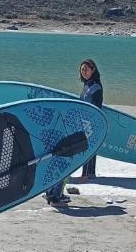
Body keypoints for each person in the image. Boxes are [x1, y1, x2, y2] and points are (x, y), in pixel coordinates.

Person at [45, 58, 104, 204]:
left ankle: (56, 193)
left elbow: (96, 111)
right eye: (82, 69)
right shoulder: (87, 85)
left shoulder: (96, 87)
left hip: (86, 129)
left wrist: (91, 130)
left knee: (70, 158)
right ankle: (54, 193)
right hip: (77, 127)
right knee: (66, 157)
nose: (84, 72)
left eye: (86, 69)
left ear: (93, 70)